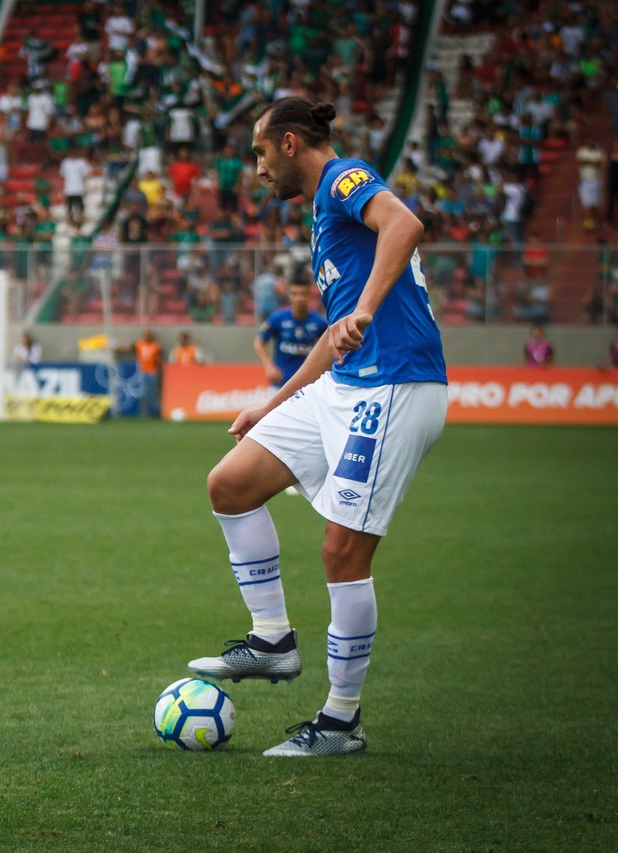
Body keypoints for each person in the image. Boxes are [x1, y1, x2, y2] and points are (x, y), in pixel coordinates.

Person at [186, 99, 448, 757]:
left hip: (395, 383)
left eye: (260, 152)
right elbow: (336, 337)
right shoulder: (323, 212)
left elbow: (406, 222)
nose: (257, 166)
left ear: (291, 142)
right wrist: (271, 404)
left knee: (341, 552)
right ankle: (272, 639)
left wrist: (363, 309)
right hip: (345, 384)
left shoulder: (343, 178)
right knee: (231, 482)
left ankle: (340, 722)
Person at [254, 281, 329, 388]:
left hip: (307, 386)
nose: (299, 298)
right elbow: (259, 343)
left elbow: (330, 346)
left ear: (309, 296)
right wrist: (269, 366)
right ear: (289, 296)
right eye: (295, 294)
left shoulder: (319, 322)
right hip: (279, 383)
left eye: (303, 294)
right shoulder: (277, 318)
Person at [123, 329, 162, 417]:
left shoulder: (156, 346)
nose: (148, 336)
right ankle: (145, 412)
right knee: (143, 392)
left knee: (153, 391)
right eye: (146, 335)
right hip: (142, 371)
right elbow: (129, 349)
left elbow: (159, 359)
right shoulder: (139, 344)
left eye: (150, 335)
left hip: (153, 371)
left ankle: (155, 410)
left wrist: (159, 370)